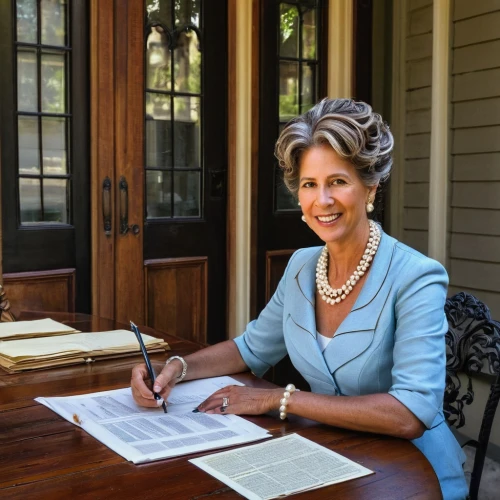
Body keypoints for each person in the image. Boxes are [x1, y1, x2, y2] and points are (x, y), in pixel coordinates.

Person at [131, 98, 468, 500]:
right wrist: (176, 368)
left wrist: (277, 397)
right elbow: (251, 349)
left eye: (338, 182)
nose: (322, 201)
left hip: (412, 476)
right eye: (310, 184)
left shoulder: (416, 277)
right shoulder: (301, 266)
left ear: (370, 188)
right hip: (330, 457)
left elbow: (410, 414)